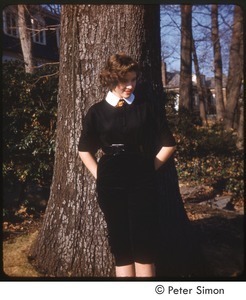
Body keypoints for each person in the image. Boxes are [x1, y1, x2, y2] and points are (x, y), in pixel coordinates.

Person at [78, 53, 176, 277]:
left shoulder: (146, 107)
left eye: (134, 79)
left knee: (144, 243)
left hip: (142, 181)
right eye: (125, 81)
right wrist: (100, 175)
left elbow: (169, 144)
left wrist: (148, 170)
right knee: (120, 242)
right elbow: (84, 149)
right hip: (110, 183)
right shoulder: (96, 112)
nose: (130, 86)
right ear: (112, 79)